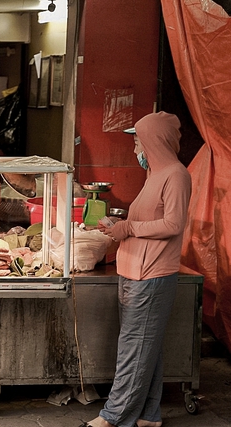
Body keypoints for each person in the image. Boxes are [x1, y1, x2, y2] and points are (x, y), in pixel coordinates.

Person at [85, 111, 192, 427]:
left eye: (137, 142)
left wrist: (129, 229)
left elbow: (173, 224)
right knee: (147, 346)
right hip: (133, 271)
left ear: (154, 143)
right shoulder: (155, 175)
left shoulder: (176, 175)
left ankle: (113, 417)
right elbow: (147, 220)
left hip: (153, 275)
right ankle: (149, 414)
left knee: (134, 348)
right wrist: (119, 225)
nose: (135, 149)